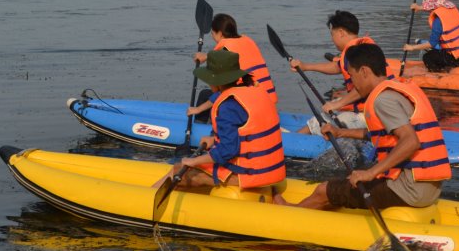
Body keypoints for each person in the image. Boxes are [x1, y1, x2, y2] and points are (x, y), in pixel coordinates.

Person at [275, 43, 451, 211]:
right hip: (429, 189)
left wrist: (370, 173)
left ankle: (289, 212)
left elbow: (411, 141)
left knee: (323, 190)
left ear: (365, 71)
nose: (352, 83)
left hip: (406, 189)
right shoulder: (399, 87)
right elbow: (380, 135)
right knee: (345, 184)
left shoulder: (383, 100)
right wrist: (340, 132)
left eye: (352, 76)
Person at [166, 49, 286, 192]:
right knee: (184, 167)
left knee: (178, 170)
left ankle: (149, 199)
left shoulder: (227, 106)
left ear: (215, 81)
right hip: (273, 170)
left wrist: (193, 161)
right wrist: (213, 139)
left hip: (250, 175)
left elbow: (228, 150)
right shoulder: (253, 90)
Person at [290, 10, 397, 133]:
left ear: (341, 33)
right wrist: (305, 67)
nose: (332, 39)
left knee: (327, 114)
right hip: (376, 105)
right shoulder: (360, 48)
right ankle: (303, 132)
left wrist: (338, 104)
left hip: (372, 112)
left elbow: (365, 87)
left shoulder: (354, 51)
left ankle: (296, 137)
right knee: (330, 106)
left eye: (332, 34)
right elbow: (338, 67)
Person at [190, 14, 277, 121]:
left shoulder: (225, 50)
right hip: (267, 101)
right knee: (206, 94)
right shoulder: (247, 41)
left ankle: (200, 128)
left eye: (212, 33)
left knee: (206, 96)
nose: (212, 37)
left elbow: (222, 92)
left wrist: (198, 109)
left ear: (220, 34)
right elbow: (236, 55)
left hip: (248, 104)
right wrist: (208, 57)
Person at [402, 0, 459, 74]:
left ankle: (438, 75)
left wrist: (412, 47)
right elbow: (436, 8)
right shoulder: (451, 9)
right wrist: (419, 7)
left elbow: (432, 44)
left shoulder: (437, 21)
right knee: (441, 52)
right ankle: (447, 69)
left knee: (427, 57)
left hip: (457, 58)